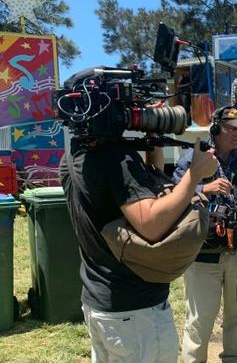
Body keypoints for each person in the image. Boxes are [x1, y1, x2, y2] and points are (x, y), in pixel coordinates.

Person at [60, 133, 217, 363]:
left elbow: (138, 192)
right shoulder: (116, 159)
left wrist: (152, 147)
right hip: (136, 315)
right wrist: (194, 175)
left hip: (102, 303)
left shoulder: (75, 153)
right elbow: (151, 224)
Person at [174, 107, 237, 363]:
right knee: (200, 319)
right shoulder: (194, 157)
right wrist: (206, 187)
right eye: (231, 128)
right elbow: (174, 196)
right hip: (203, 254)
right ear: (216, 128)